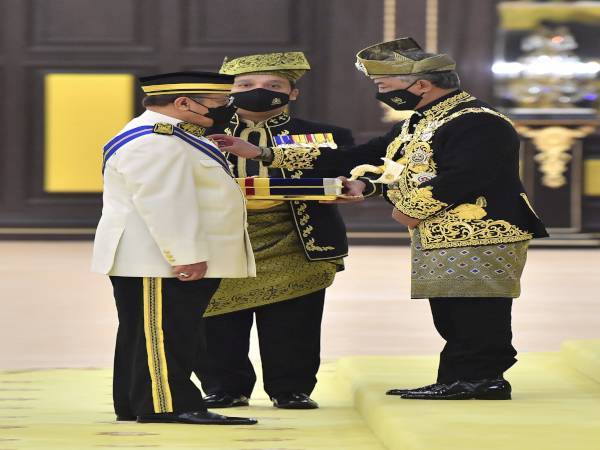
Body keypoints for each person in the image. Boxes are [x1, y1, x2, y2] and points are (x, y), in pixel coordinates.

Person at [210, 38, 549, 400]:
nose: (381, 92)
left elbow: (463, 176)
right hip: (442, 231)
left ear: (420, 85)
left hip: (483, 230)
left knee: (477, 306)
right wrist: (264, 153)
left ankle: (483, 379)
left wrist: (409, 210)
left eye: (385, 85)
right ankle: (458, 377)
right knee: (451, 307)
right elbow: (372, 159)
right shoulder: (420, 121)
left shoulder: (477, 121)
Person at [91, 72, 258, 424]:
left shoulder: (171, 137)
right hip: (158, 259)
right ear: (183, 104)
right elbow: (165, 203)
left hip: (156, 257)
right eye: (219, 103)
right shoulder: (155, 141)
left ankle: (138, 401)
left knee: (151, 331)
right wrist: (187, 255)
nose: (228, 109)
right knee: (166, 332)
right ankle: (170, 404)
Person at [196, 52, 355, 410]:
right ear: (228, 92)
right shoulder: (198, 133)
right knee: (216, 316)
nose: (259, 91)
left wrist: (343, 186)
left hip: (297, 237)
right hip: (219, 237)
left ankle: (291, 388)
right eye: (246, 85)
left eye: (273, 85)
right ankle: (223, 386)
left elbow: (343, 170)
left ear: (292, 93)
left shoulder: (325, 135)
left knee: (294, 317)